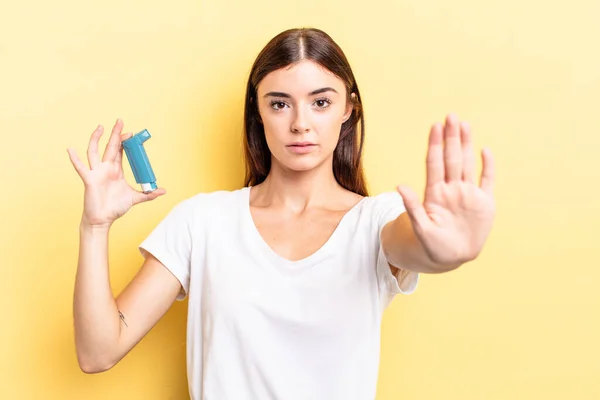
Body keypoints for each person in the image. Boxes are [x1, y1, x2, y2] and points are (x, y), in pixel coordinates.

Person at [67, 27, 495, 400]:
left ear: (349, 108)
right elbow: (98, 352)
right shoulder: (202, 222)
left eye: (320, 102)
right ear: (258, 110)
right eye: (279, 104)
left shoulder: (375, 221)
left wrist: (450, 251)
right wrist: (95, 225)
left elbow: (417, 247)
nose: (300, 124)